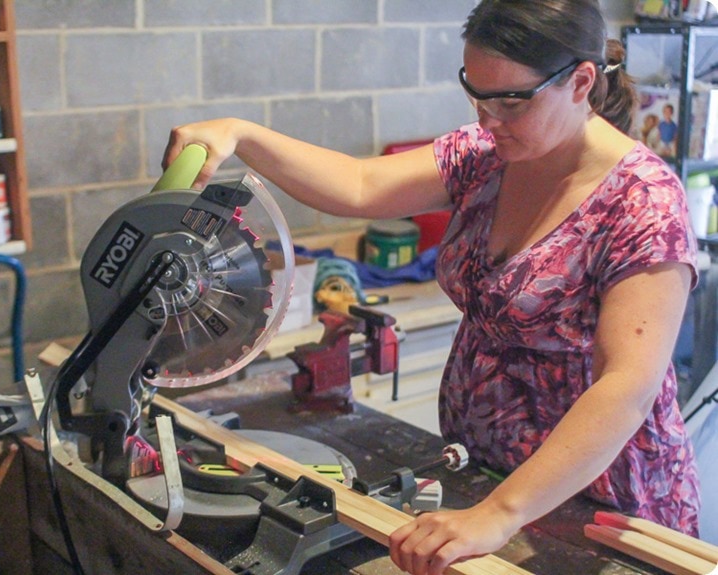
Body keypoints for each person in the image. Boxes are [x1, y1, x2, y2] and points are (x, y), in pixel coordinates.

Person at [161, 0, 700, 573]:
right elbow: (362, 184)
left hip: (597, 499)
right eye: (477, 93)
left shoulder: (642, 202)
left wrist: (502, 512)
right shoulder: (486, 155)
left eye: (512, 100)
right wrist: (241, 134)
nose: (489, 119)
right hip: (486, 476)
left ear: (581, 82)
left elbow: (627, 387)